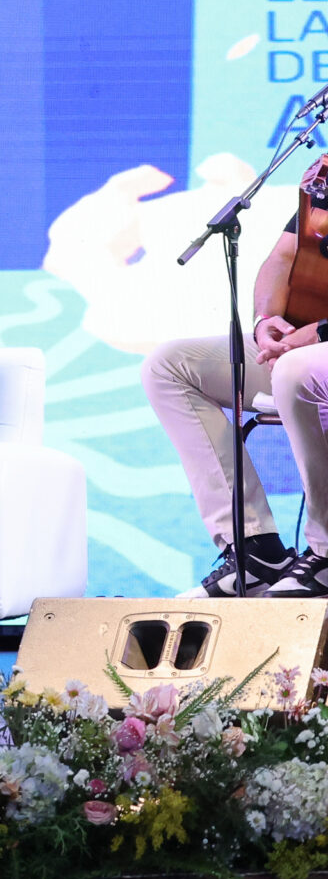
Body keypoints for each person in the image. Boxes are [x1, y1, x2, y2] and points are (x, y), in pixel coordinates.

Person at [140, 208, 328, 597]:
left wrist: (320, 332)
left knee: (294, 369)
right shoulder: (322, 184)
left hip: (316, 348)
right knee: (170, 366)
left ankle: (326, 553)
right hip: (305, 346)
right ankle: (256, 550)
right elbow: (283, 256)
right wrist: (266, 322)